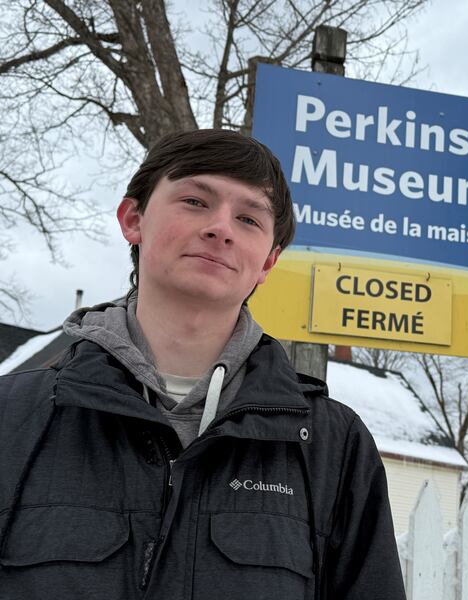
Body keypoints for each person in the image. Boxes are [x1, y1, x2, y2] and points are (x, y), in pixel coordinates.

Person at [0, 129, 406, 600]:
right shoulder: (12, 417)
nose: (222, 228)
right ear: (134, 218)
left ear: (268, 263)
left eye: (249, 219)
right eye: (195, 201)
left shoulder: (332, 447)